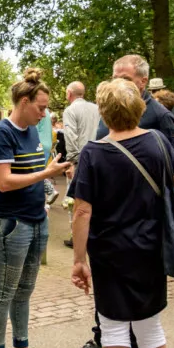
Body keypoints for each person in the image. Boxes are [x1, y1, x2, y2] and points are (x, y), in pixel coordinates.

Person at [70, 78, 174, 348]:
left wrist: (78, 260)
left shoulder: (93, 152)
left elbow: (81, 212)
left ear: (104, 112)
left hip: (112, 252)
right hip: (152, 249)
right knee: (151, 326)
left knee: (115, 329)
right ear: (139, 108)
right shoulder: (159, 142)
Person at [0, 68, 70, 348]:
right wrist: (46, 173)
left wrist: (48, 183)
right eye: (41, 107)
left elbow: (34, 171)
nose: (44, 113)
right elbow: (4, 183)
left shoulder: (34, 131)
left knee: (24, 291)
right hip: (10, 223)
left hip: (37, 220)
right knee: (3, 292)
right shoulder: (1, 134)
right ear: (24, 101)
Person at [61, 81, 101, 248]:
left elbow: (70, 136)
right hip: (99, 157)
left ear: (69, 94)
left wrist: (71, 162)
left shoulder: (70, 111)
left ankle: (76, 234)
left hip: (80, 159)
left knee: (75, 199)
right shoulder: (96, 108)